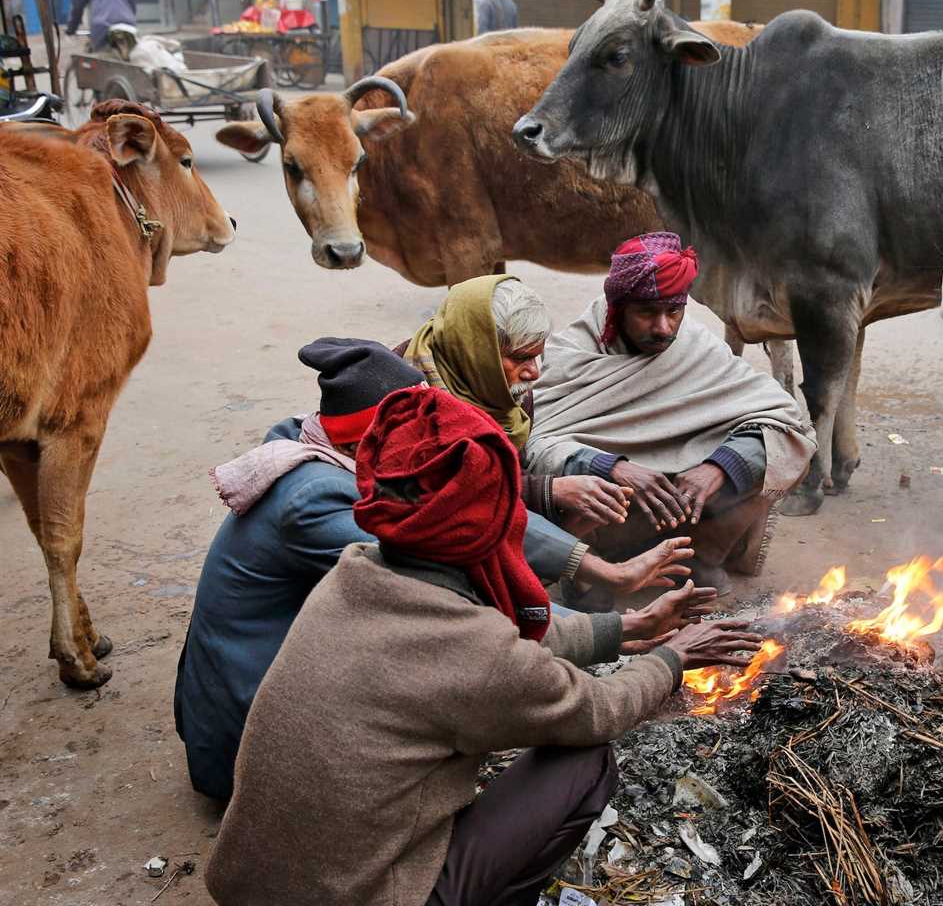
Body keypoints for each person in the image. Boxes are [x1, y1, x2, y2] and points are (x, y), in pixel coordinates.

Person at [203, 385, 761, 906]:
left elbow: (507, 636)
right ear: (489, 517)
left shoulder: (356, 574)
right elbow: (596, 710)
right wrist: (672, 658)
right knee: (583, 762)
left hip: (250, 881)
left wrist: (629, 629)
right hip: (356, 895)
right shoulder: (469, 647)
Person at [174, 337, 702, 802]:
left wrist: (620, 613)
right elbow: (478, 612)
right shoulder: (320, 503)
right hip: (249, 750)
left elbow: (483, 519)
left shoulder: (327, 457)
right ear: (373, 446)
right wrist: (647, 637)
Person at [525, 232, 817, 594]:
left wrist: (717, 468)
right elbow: (535, 445)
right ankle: (590, 572)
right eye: (647, 312)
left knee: (787, 447)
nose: (663, 327)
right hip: (613, 514)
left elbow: (783, 420)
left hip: (684, 504)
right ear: (618, 310)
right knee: (580, 483)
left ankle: (702, 555)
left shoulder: (693, 345)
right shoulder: (573, 352)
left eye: (673, 311)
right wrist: (614, 468)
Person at [400, 274, 692, 609]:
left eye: (537, 356)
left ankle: (564, 583)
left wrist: (572, 510)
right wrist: (550, 490)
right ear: (477, 348)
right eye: (520, 358)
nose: (534, 372)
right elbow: (439, 495)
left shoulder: (501, 388)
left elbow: (508, 467)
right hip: (427, 541)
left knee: (593, 501)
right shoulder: (408, 397)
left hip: (493, 511)